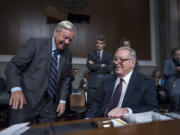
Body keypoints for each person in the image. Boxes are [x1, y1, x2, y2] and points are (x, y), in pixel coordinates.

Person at [5, 21, 76, 124]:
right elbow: (13, 66)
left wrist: (62, 101)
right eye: (65, 38)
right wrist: (16, 89)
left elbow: (66, 78)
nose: (67, 42)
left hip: (49, 104)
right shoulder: (36, 44)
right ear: (56, 32)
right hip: (25, 101)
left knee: (48, 131)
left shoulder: (68, 54)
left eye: (70, 40)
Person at [86, 47, 157, 118]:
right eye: (115, 59)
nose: (116, 62)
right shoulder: (106, 80)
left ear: (132, 63)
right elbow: (97, 105)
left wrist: (127, 110)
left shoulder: (145, 82)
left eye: (121, 60)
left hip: (127, 125)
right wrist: (87, 120)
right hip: (102, 122)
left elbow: (151, 108)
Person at [87, 35, 113, 107]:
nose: (98, 45)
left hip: (105, 82)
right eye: (97, 43)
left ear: (104, 45)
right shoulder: (91, 54)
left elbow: (110, 68)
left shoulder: (109, 55)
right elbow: (89, 66)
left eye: (101, 43)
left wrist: (95, 66)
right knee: (92, 105)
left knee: (104, 104)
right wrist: (101, 66)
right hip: (93, 83)